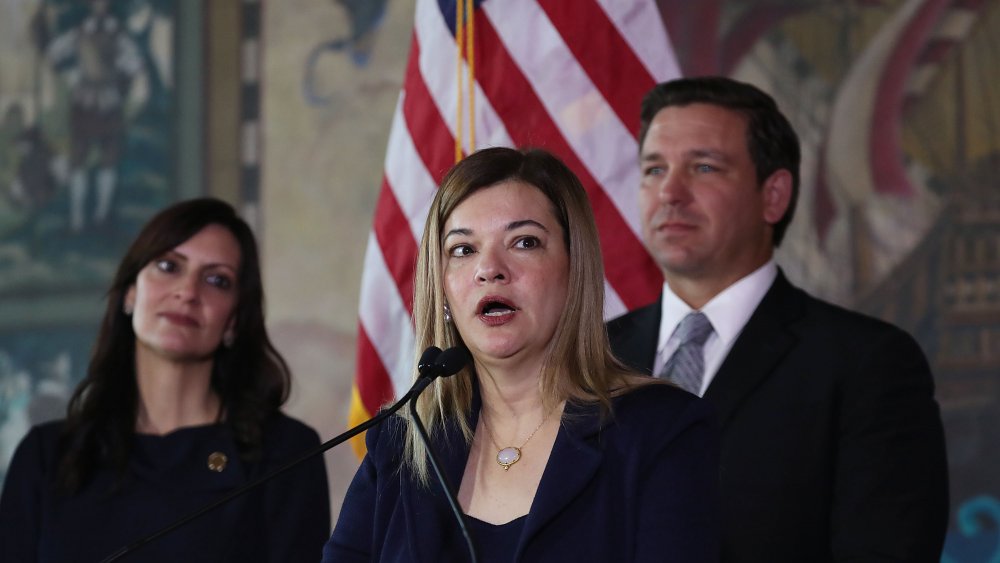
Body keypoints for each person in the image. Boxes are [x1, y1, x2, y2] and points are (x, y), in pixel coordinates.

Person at [607, 76, 949, 562]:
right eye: (653, 169)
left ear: (774, 195)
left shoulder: (867, 365)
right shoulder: (590, 357)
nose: (670, 192)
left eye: (703, 167)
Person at [323, 147, 720, 562]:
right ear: (441, 286)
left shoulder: (662, 432)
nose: (489, 268)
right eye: (463, 249)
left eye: (524, 242)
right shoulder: (402, 444)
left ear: (574, 270)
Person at [0, 198, 330, 562]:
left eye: (217, 280)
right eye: (168, 266)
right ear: (130, 293)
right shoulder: (47, 456)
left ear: (234, 320)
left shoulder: (286, 454)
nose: (188, 292)